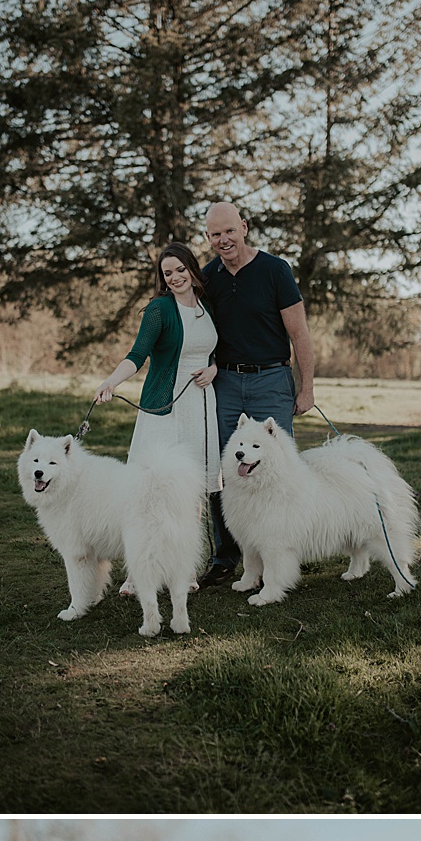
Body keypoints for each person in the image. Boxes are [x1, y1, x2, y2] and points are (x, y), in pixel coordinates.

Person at [199, 200, 316, 589]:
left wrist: (307, 386)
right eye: (215, 234)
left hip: (271, 380)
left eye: (229, 231)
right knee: (225, 470)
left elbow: (299, 333)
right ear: (208, 238)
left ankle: (283, 549)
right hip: (226, 384)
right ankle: (226, 557)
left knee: (278, 470)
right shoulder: (209, 277)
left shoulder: (274, 270)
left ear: (244, 227)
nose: (223, 240)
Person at [93, 242, 221, 483]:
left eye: (180, 269)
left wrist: (213, 369)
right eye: (168, 273)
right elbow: (137, 356)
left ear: (192, 269)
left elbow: (211, 351)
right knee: (162, 481)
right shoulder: (159, 309)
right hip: (167, 405)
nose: (175, 277)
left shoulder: (208, 306)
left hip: (201, 404)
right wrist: (111, 383)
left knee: (196, 482)